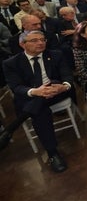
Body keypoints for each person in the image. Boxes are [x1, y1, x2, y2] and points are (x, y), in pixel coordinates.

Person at [1, 31, 74, 172]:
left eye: (42, 39)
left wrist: (63, 86)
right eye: (34, 40)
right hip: (31, 97)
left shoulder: (55, 55)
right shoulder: (11, 63)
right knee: (40, 111)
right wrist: (35, 91)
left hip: (56, 91)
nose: (40, 43)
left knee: (50, 84)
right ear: (22, 44)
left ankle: (11, 128)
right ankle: (53, 152)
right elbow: (16, 87)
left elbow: (67, 75)